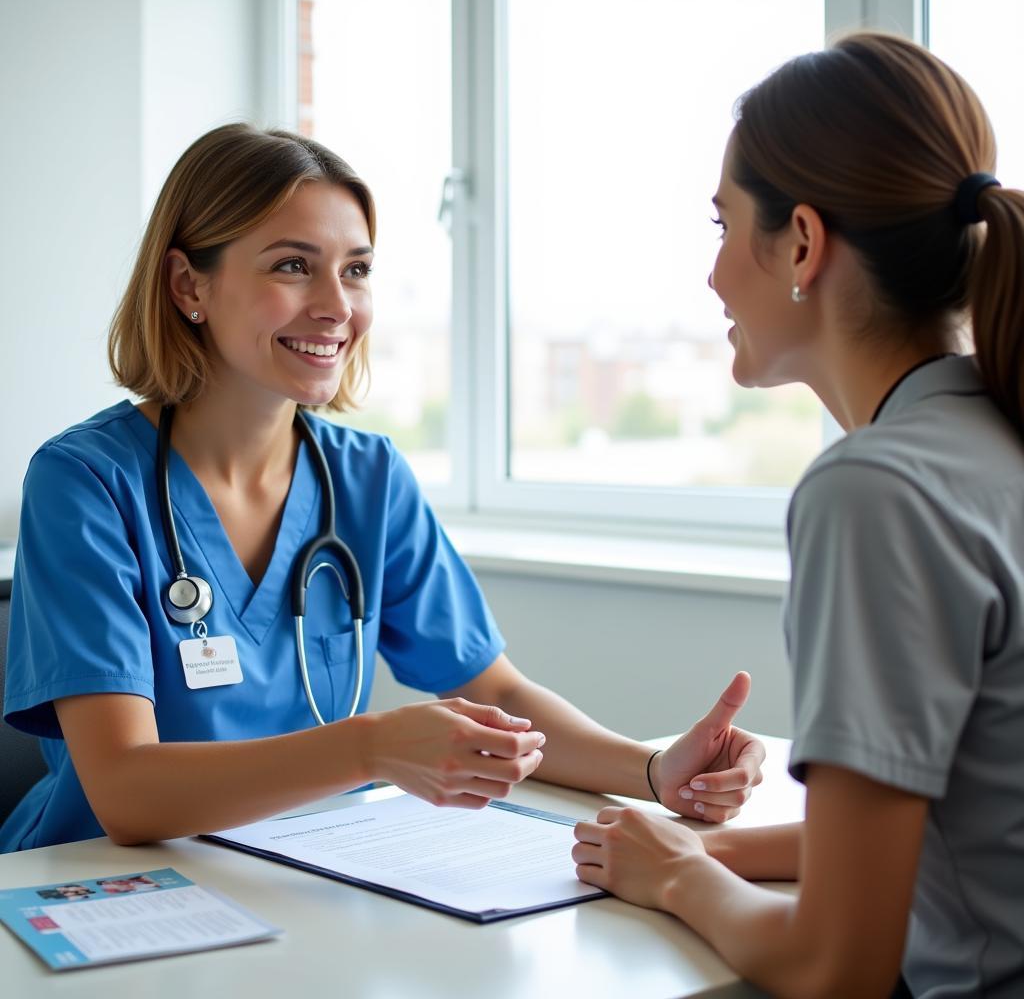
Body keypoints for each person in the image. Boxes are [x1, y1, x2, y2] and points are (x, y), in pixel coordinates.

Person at [0, 123, 765, 853]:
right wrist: (372, 748)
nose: (338, 305)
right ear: (187, 284)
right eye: (293, 265)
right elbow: (127, 794)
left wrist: (650, 771)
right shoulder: (87, 482)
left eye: (356, 270)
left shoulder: (367, 479)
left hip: (302, 874)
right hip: (98, 884)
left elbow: (499, 694)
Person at [571, 32, 1024, 998]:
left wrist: (683, 878)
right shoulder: (998, 435)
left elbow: (836, 967)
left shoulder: (877, 491)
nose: (712, 275)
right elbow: (961, 828)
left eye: (723, 225)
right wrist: (711, 855)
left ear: (804, 245)